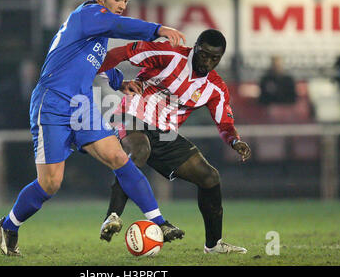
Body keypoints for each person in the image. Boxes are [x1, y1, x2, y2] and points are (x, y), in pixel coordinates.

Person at [0, 0, 186, 256]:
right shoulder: (87, 14)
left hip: (81, 104)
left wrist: (123, 82)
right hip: (53, 103)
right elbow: (120, 27)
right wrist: (157, 30)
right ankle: (8, 224)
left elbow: (92, 67)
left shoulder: (97, 32)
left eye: (125, 0)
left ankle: (159, 222)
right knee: (51, 183)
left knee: (119, 158)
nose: (122, 5)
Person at [97, 29, 252, 254]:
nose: (207, 62)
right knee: (139, 149)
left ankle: (214, 244)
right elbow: (124, 52)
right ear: (195, 47)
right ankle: (112, 216)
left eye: (214, 58)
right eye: (203, 54)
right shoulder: (170, 55)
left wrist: (235, 140)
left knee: (209, 177)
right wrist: (96, 68)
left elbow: (225, 124)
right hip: (132, 114)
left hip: (165, 134)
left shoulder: (215, 88)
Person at [0, 59, 39, 129]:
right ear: (21, 72)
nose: (30, 73)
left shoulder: (40, 87)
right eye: (27, 70)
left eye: (32, 70)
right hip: (13, 123)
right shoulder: (10, 87)